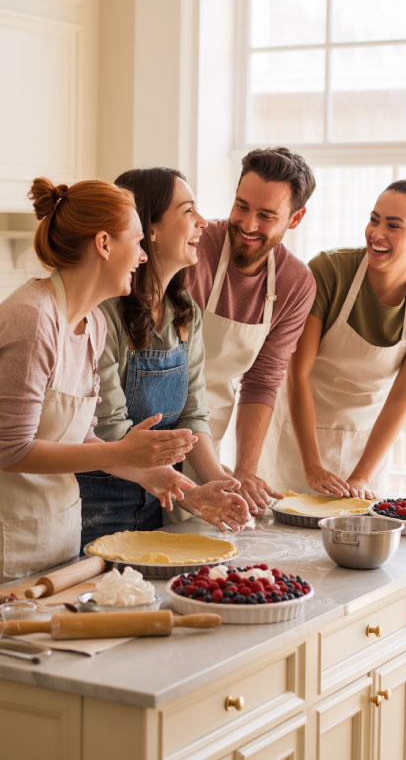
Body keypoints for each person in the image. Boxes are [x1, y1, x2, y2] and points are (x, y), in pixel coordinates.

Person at [0, 177, 198, 582]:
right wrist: (120, 452)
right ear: (104, 244)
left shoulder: (93, 323)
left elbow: (80, 437)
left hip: (57, 539)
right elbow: (11, 450)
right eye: (138, 242)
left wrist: (142, 468)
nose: (143, 257)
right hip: (9, 541)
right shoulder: (33, 318)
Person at [77, 167, 250, 547]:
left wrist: (219, 481)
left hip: (157, 503)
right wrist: (192, 494)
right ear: (148, 228)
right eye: (188, 211)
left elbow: (192, 415)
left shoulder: (186, 311)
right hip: (95, 507)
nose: (203, 223)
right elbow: (111, 431)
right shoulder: (103, 312)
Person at [258, 178, 406, 499]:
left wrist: (362, 476)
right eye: (374, 219)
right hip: (295, 439)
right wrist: (312, 466)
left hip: (366, 449)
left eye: (393, 225)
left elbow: (401, 399)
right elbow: (298, 374)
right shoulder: (331, 271)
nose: (376, 233)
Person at [186, 147, 317, 516]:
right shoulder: (196, 247)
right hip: (150, 429)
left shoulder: (295, 283)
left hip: (211, 431)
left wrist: (245, 470)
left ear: (296, 218)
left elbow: (262, 380)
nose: (247, 224)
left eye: (266, 215)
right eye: (241, 206)